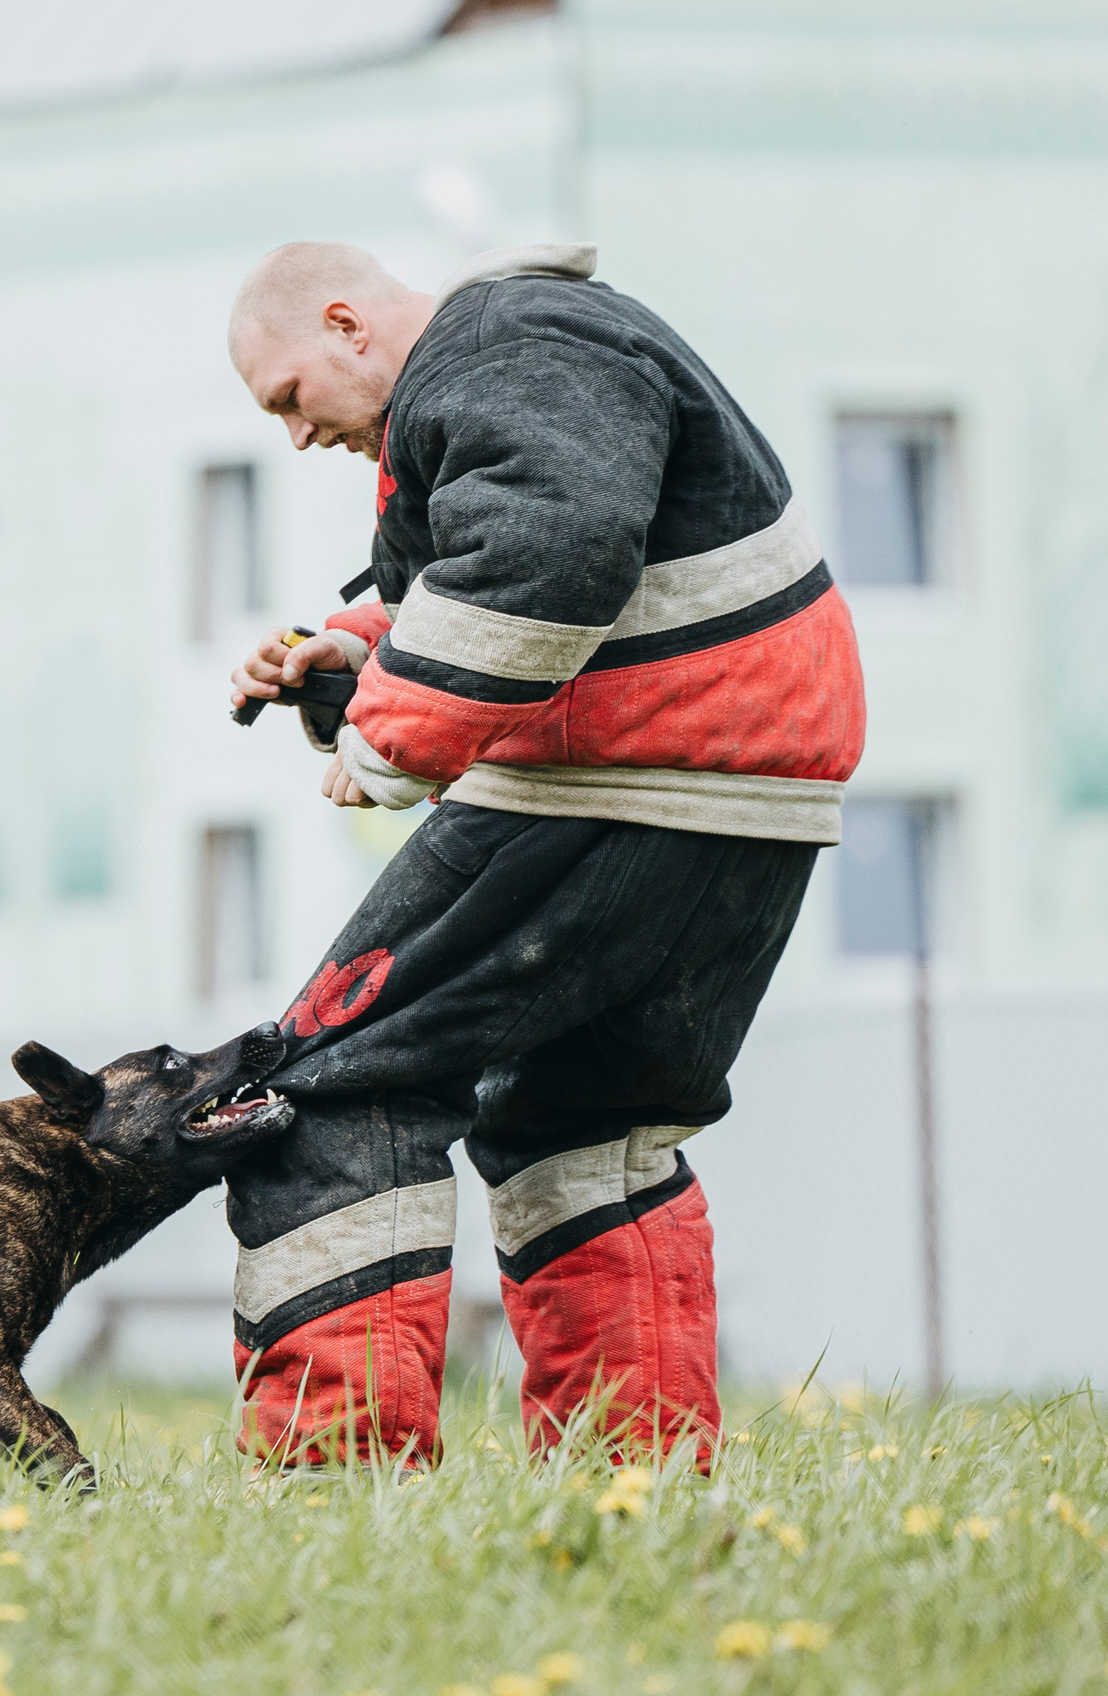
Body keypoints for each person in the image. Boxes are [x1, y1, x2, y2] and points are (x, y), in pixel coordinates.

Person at [223, 241, 865, 1465]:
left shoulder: (508, 342)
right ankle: (640, 1482)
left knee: (328, 1082)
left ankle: (335, 1484)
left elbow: (550, 548)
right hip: (747, 796)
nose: (296, 441)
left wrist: (394, 741)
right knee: (583, 1131)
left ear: (349, 326)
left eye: (289, 401)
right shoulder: (522, 366)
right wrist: (348, 665)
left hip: (628, 780)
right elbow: (522, 571)